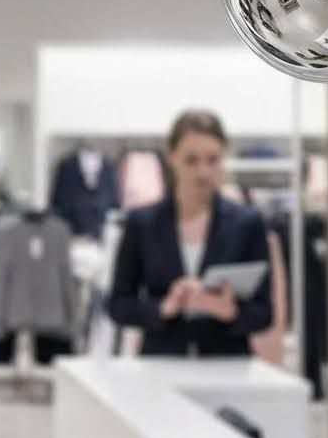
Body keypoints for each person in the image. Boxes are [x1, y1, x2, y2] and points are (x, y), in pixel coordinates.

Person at [108, 110, 272, 356]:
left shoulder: (247, 223)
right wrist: (163, 307)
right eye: (191, 160)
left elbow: (264, 313)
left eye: (212, 160)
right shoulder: (141, 223)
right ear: (172, 157)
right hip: (161, 364)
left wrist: (230, 312)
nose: (203, 172)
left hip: (227, 366)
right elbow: (117, 305)